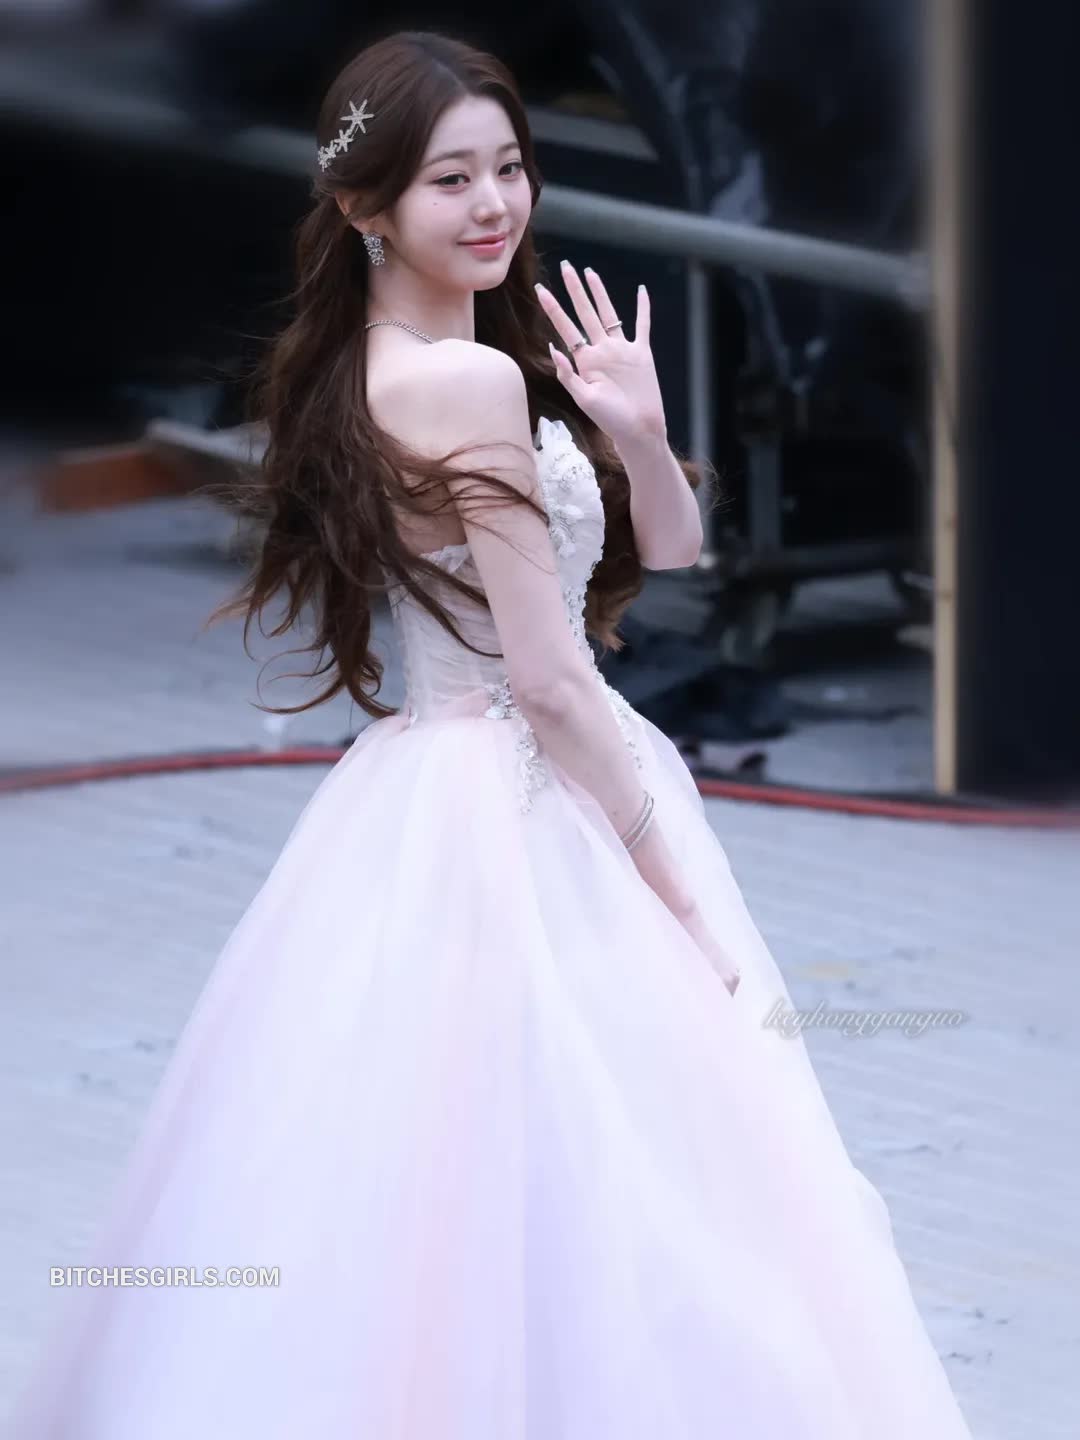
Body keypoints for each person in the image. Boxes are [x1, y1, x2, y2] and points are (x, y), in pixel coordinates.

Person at [9, 29, 976, 1440]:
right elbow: (554, 680)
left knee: (445, 1175)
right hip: (533, 792)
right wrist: (675, 895)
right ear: (364, 205)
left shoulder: (403, 361)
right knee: (618, 1164)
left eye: (510, 167)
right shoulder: (462, 387)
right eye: (450, 178)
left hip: (440, 787)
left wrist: (636, 432)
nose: (495, 204)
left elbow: (674, 554)